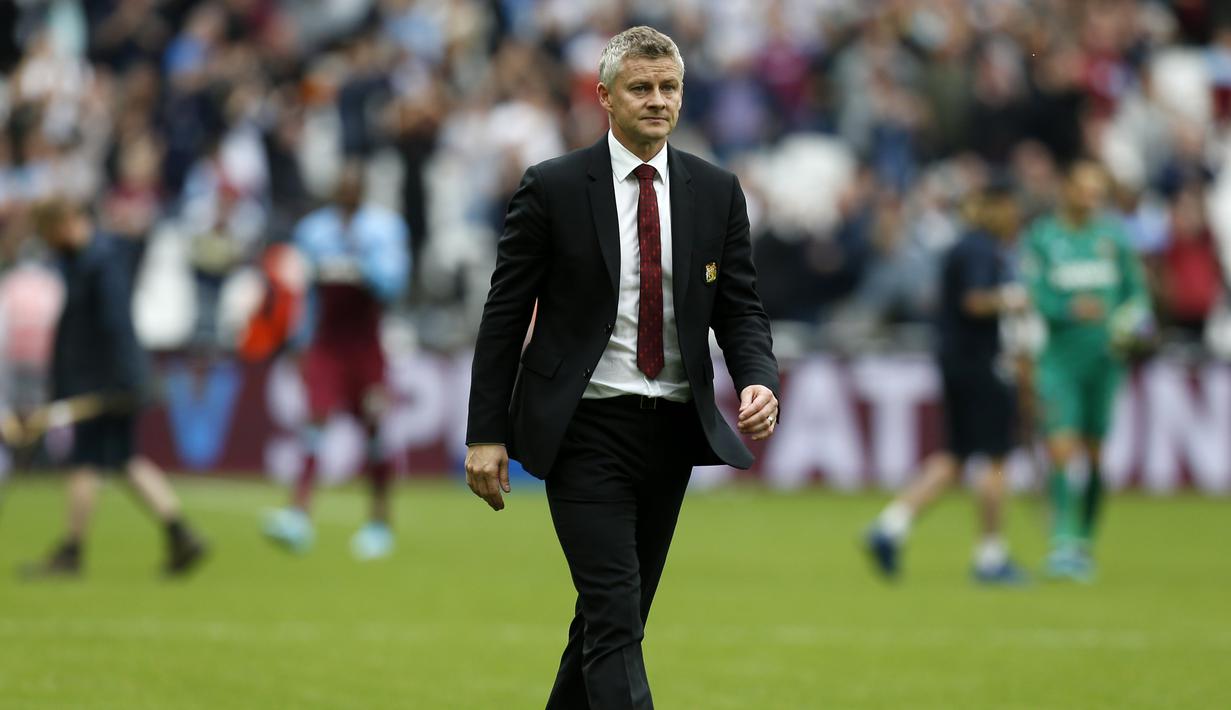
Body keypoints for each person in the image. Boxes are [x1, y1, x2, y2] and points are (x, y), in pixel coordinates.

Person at [465, 27, 780, 709]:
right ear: (605, 97)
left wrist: (758, 377)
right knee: (614, 619)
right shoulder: (550, 188)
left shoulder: (716, 190)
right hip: (583, 429)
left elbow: (740, 308)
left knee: (610, 622)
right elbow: (502, 316)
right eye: (641, 87)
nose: (658, 100)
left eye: (668, 87)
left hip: (670, 430)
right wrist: (484, 433)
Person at [22, 198, 208, 578]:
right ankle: (180, 533)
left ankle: (72, 550)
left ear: (66, 222)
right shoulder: (88, 260)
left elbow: (114, 326)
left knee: (86, 462)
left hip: (104, 384)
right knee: (124, 460)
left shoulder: (98, 263)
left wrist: (119, 383)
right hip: (106, 381)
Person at [865, 182, 1030, 584]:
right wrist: (1015, 298)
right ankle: (990, 557)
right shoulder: (980, 248)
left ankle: (890, 526)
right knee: (994, 457)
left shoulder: (965, 246)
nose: (1014, 217)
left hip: (956, 361)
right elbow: (974, 301)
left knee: (955, 456)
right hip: (980, 364)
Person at [262, 162, 410, 560]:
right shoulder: (313, 230)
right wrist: (298, 340)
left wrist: (360, 266)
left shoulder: (384, 228)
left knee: (374, 425)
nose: (347, 192)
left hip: (365, 342)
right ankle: (298, 516)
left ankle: (379, 522)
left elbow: (396, 282)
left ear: (361, 189)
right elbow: (303, 292)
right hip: (328, 342)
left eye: (353, 186)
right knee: (316, 419)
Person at [1020, 159, 1149, 582]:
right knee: (1060, 449)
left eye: (1099, 191)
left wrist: (1128, 322)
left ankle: (1085, 541)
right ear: (1068, 190)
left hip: (1104, 362)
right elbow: (1035, 294)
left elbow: (1138, 297)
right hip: (1059, 361)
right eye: (1085, 190)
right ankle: (1062, 541)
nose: (1092, 198)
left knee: (1094, 456)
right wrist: (1068, 308)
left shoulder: (1114, 236)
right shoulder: (1044, 236)